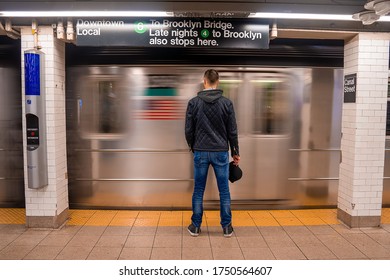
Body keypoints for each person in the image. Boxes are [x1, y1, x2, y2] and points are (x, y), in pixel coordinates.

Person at [185, 69, 240, 238]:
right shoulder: (226, 103)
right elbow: (232, 131)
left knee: (198, 190)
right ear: (218, 81)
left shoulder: (193, 103)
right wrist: (235, 151)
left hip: (201, 152)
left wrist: (193, 147)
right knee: (224, 190)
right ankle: (226, 227)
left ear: (205, 81)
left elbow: (188, 130)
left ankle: (195, 226)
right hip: (221, 152)